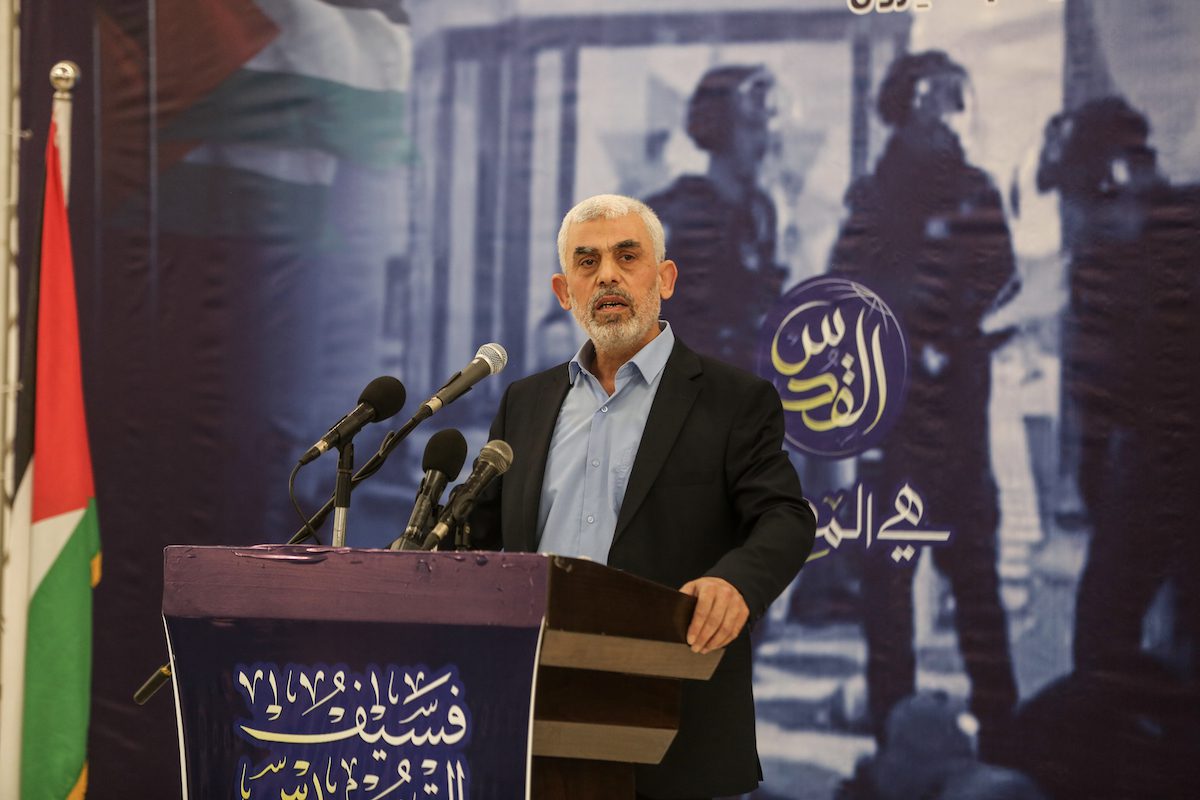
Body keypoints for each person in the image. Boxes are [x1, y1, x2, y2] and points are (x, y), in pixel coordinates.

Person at [468, 193, 816, 799]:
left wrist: (735, 583)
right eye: (587, 261)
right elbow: (483, 537)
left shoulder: (733, 402)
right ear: (563, 290)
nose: (607, 274)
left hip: (669, 711)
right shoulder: (524, 403)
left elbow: (785, 516)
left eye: (627, 256)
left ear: (665, 277)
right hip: (530, 713)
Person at [828, 51, 1019, 757]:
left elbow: (1003, 285)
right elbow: (842, 297)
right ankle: (895, 749)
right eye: (942, 95)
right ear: (908, 105)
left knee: (977, 588)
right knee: (888, 600)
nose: (954, 112)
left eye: (957, 96)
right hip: (894, 429)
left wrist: (958, 333)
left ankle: (1003, 744)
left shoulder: (977, 191)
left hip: (962, 426)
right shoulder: (872, 200)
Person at [645, 64, 788, 375]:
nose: (762, 143)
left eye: (764, 127)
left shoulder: (762, 212)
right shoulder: (676, 213)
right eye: (750, 127)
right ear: (720, 128)